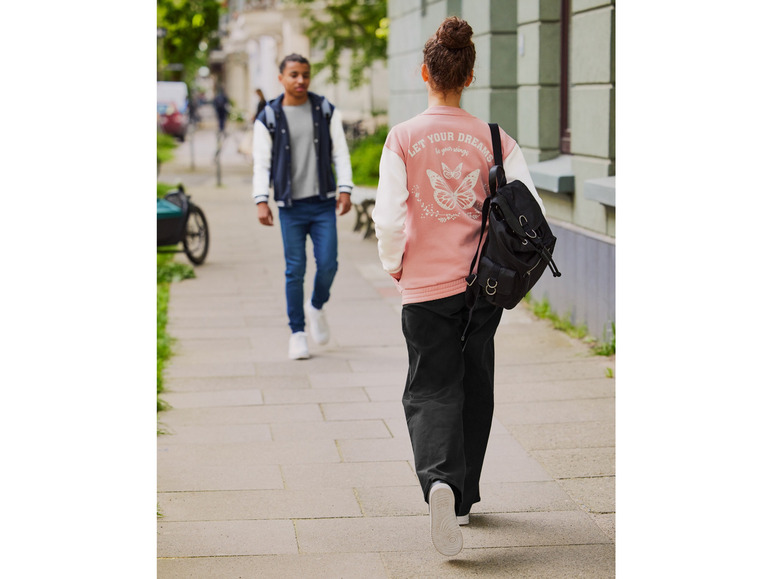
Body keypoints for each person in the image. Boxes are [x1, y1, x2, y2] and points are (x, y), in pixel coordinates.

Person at [372, 17, 546, 557]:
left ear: (425, 73)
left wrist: (394, 265)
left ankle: (440, 484)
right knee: (475, 382)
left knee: (430, 387)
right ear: (469, 76)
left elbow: (389, 219)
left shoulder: (402, 138)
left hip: (424, 287)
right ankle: (464, 499)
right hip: (481, 289)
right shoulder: (496, 139)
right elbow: (530, 213)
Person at [252, 53, 353, 360]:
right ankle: (297, 333)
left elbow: (341, 153)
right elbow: (262, 163)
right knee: (294, 270)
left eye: (305, 75)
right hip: (290, 207)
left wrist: (345, 189)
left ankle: (317, 306)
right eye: (293, 74)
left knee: (329, 264)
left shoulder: (323, 109)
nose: (300, 80)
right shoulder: (268, 117)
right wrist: (261, 200)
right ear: (281, 78)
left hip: (323, 203)